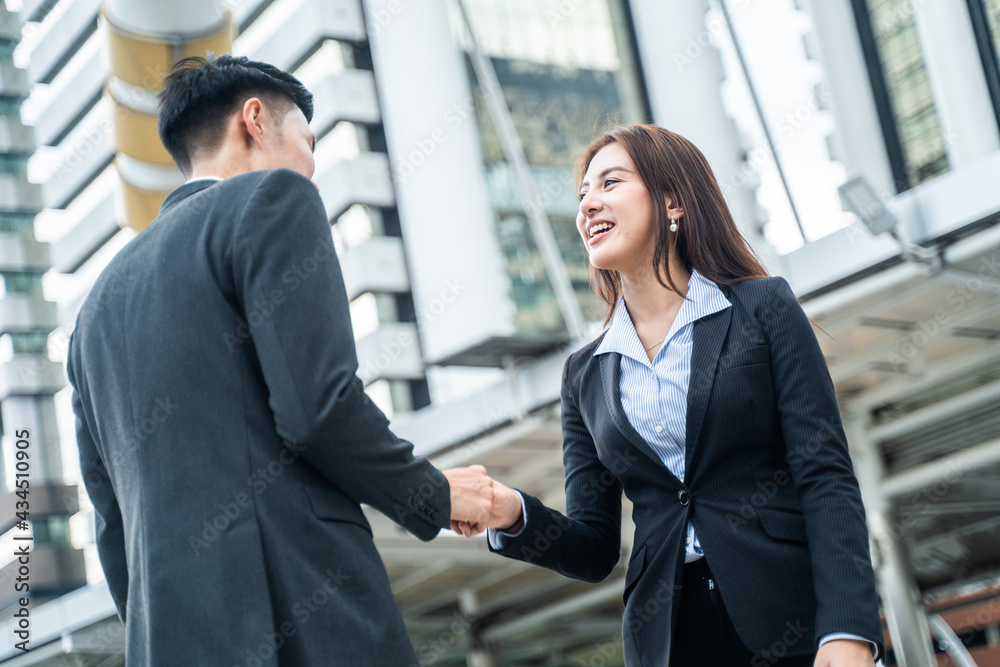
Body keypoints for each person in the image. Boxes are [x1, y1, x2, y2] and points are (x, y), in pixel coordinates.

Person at [66, 54, 493, 666]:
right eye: (307, 142)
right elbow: (318, 408)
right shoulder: (272, 197)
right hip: (301, 611)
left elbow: (110, 525)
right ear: (256, 121)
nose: (311, 170)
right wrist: (433, 493)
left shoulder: (93, 315)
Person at [480, 124, 885, 666]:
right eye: (582, 195)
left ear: (671, 200)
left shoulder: (762, 309)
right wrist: (513, 515)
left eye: (609, 183)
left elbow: (825, 475)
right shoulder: (585, 374)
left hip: (791, 616)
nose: (587, 206)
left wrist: (846, 627)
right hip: (669, 639)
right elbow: (595, 546)